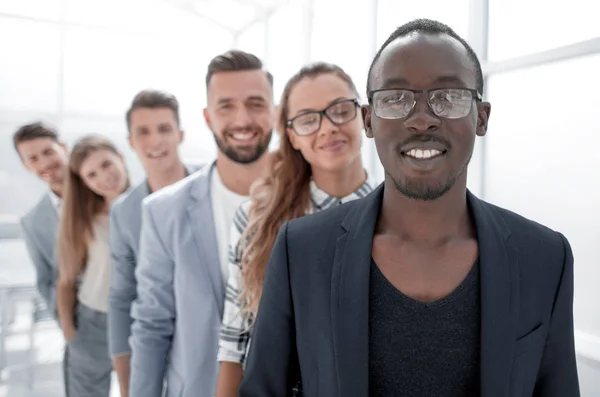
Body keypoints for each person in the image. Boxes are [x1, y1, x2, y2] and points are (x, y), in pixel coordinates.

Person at [239, 18, 580, 397]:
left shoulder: (544, 258)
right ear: (369, 120)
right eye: (395, 99)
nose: (421, 120)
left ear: (480, 118)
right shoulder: (301, 251)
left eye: (448, 96)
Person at [215, 62, 374, 397]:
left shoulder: (398, 215)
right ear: (291, 137)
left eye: (340, 111)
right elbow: (234, 343)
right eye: (307, 119)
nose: (328, 127)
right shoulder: (256, 220)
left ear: (364, 116)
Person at [129, 50, 275, 397]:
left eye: (256, 103)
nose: (242, 119)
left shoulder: (311, 202)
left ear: (276, 112)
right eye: (226, 106)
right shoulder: (163, 212)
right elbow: (152, 325)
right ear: (208, 117)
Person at [108, 89, 201, 397]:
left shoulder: (212, 186)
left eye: (164, 129)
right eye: (143, 132)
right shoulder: (124, 212)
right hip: (159, 345)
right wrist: (128, 387)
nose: (155, 140)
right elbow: (122, 299)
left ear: (181, 134)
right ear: (131, 142)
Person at [57, 135, 130, 397]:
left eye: (106, 164)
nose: (104, 177)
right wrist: (71, 335)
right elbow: (65, 282)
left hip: (139, 322)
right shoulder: (83, 221)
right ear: (85, 183)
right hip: (93, 323)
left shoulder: (152, 209)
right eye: (92, 174)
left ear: (121, 158)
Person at [14, 122, 69, 319]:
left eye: (48, 152)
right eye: (33, 159)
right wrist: (69, 329)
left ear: (63, 148)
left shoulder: (103, 192)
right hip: (84, 330)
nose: (44, 164)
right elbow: (46, 283)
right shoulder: (32, 222)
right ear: (26, 166)